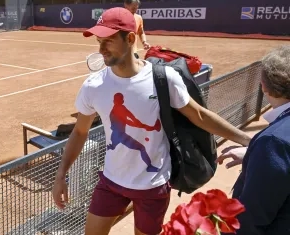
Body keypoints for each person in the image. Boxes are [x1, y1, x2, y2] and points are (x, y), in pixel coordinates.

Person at [52, 7, 251, 235]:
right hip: (110, 182)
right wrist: (60, 175)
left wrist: (247, 140)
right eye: (98, 41)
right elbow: (79, 132)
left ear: (129, 38)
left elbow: (198, 115)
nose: (100, 49)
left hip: (153, 186)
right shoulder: (93, 86)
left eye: (107, 41)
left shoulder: (164, 78)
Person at [217, 45, 290, 235]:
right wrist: (253, 157)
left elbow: (251, 218)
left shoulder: (273, 142)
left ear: (264, 86)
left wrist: (263, 155)